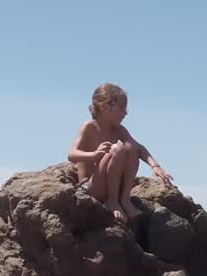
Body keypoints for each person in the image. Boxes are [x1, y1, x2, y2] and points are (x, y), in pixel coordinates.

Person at [67, 83, 174, 222]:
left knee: (131, 147)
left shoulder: (120, 130)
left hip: (112, 187)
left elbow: (138, 148)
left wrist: (155, 166)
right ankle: (112, 201)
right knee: (118, 149)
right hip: (92, 187)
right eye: (122, 108)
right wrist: (94, 154)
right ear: (104, 106)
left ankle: (124, 199)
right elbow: (71, 155)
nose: (126, 113)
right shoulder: (89, 127)